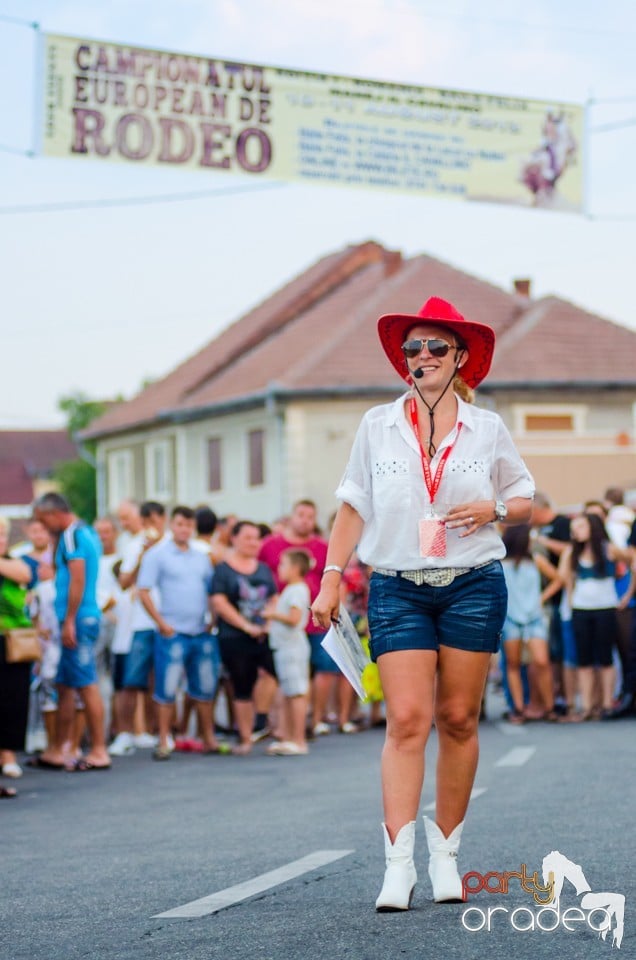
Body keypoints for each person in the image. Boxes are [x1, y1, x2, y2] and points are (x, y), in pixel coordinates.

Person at [311, 296, 534, 910]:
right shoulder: (376, 425)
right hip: (396, 583)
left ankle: (446, 857)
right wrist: (331, 577)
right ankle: (397, 866)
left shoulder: (486, 427)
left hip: (471, 581)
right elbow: (353, 504)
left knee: (458, 719)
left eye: (437, 346)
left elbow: (525, 499)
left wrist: (493, 507)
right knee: (406, 719)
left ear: (460, 356)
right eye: (413, 347)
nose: (424, 356)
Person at [33, 492, 111, 771]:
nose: (43, 526)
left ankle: (99, 749)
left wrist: (69, 620)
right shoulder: (86, 532)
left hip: (79, 619)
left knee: (86, 683)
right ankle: (60, 748)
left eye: (44, 520)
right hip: (80, 617)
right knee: (65, 685)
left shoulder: (71, 535)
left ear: (55, 514)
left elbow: (77, 578)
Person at [137, 506, 220, 760]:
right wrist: (160, 622)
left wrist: (212, 619)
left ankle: (208, 738)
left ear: (193, 528)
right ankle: (164, 739)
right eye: (180, 524)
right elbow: (143, 590)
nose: (184, 529)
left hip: (200, 630)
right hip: (173, 631)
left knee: (205, 686)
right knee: (167, 687)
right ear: (172, 525)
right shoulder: (158, 555)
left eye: (188, 525)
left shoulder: (201, 557)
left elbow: (211, 591)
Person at [260, 501, 331, 736]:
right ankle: (282, 725)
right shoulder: (272, 544)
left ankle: (310, 722)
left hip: (314, 621)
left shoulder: (322, 547)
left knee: (311, 674)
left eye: (310, 516)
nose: (305, 520)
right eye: (301, 515)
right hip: (286, 631)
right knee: (282, 677)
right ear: (292, 516)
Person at [212, 521, 277, 755]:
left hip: (264, 635)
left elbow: (273, 598)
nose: (253, 542)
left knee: (273, 674)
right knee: (242, 686)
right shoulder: (223, 569)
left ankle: (263, 720)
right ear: (234, 539)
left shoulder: (262, 569)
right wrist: (247, 626)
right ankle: (246, 738)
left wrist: (267, 624)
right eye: (248, 537)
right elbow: (219, 602)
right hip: (235, 636)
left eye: (257, 538)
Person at [558, 512, 631, 721]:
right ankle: (587, 706)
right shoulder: (573, 552)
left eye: (580, 527)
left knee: (605, 657)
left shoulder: (608, 550)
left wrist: (626, 595)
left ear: (592, 528)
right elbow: (566, 579)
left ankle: (607, 703)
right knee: (584, 659)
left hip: (606, 607)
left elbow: (631, 562)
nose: (575, 532)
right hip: (581, 608)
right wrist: (571, 603)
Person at [109, 500, 167, 756]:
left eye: (158, 520)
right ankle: (124, 733)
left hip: (166, 618)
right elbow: (123, 581)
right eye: (149, 521)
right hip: (140, 621)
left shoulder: (173, 545)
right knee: (132, 681)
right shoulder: (135, 546)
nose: (154, 525)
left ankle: (153, 732)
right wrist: (144, 553)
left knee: (159, 681)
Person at [500, 524, 558, 723]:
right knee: (513, 664)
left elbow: (558, 579)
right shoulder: (500, 563)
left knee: (542, 662)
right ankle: (518, 708)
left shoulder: (536, 560)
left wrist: (542, 598)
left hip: (534, 616)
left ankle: (549, 707)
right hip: (510, 617)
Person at [0, 516, 39, 795]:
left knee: (13, 698)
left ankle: (8, 755)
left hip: (13, 640)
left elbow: (25, 575)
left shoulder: (15, 562)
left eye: (2, 534)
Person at [262, 549, 312, 756]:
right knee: (290, 692)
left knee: (296, 692)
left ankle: (299, 740)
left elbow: (294, 618)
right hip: (285, 646)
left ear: (295, 568)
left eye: (283, 565)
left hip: (292, 647)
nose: (279, 569)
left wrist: (273, 613)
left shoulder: (297, 590)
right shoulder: (291, 589)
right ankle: (290, 737)